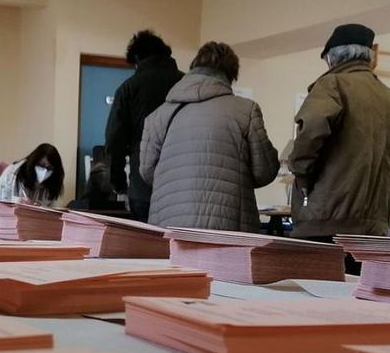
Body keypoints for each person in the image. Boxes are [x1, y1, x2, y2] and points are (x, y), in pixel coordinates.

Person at [139, 42, 279, 232]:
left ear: (194, 68)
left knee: (173, 262)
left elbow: (147, 172)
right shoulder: (246, 110)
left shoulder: (158, 116)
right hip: (228, 227)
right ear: (231, 75)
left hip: (169, 226)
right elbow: (265, 172)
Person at [288, 23, 390, 246]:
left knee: (320, 280)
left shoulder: (332, 85)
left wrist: (300, 170)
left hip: (327, 218)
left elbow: (310, 131)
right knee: (359, 280)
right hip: (375, 223)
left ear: (332, 58)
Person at [105, 30, 184, 222]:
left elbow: (115, 139)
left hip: (143, 188)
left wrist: (117, 181)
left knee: (146, 246)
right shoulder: (186, 83)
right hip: (183, 187)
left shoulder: (129, 88)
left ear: (138, 58)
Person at [0, 143, 65, 206]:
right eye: (41, 165)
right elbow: (0, 201)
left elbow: (52, 208)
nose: (44, 171)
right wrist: (18, 201)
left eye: (49, 168)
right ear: (33, 161)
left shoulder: (52, 184)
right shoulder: (12, 173)